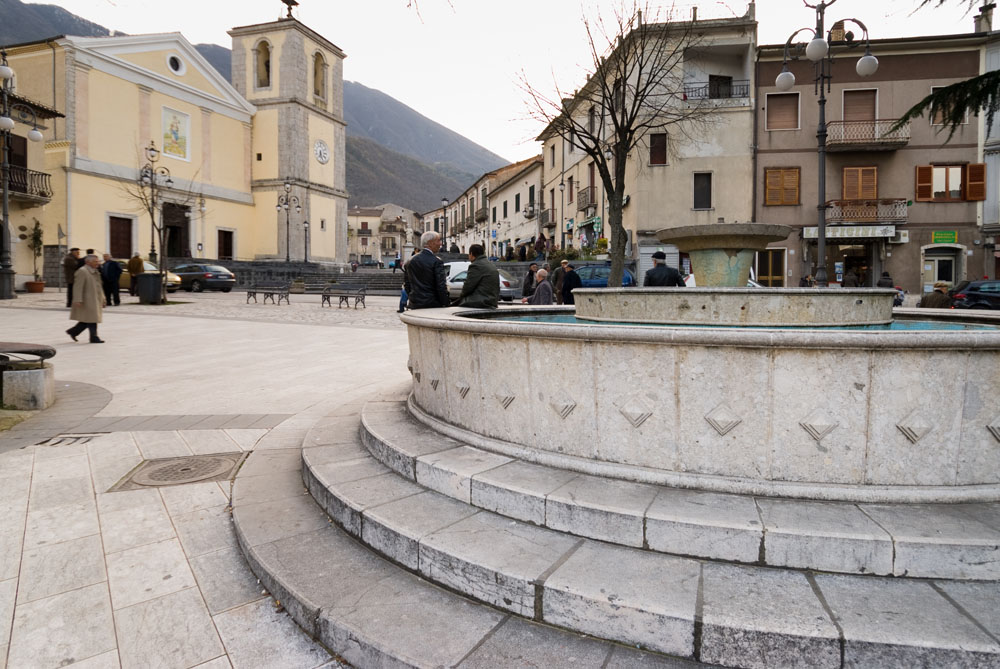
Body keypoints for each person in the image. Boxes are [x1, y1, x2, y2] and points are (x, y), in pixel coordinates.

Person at [404, 231, 449, 309]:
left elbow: (407, 284)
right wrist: (445, 303)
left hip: (414, 304)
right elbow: (441, 286)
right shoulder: (436, 261)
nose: (440, 244)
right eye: (438, 241)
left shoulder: (410, 261)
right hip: (432, 304)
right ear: (430, 243)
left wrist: (413, 297)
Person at [66, 254, 105, 343]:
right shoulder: (82, 271)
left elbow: (99, 286)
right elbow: (78, 287)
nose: (97, 263)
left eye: (98, 261)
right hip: (87, 299)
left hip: (94, 298)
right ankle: (94, 337)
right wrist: (77, 299)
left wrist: (103, 298)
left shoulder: (95, 271)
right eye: (95, 261)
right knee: (92, 318)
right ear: (88, 262)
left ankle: (73, 331)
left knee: (89, 318)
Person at [457, 244, 499, 309]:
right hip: (492, 301)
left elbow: (468, 287)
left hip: (480, 302)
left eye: (469, 254)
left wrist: (460, 297)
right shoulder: (491, 264)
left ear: (471, 254)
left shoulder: (476, 265)